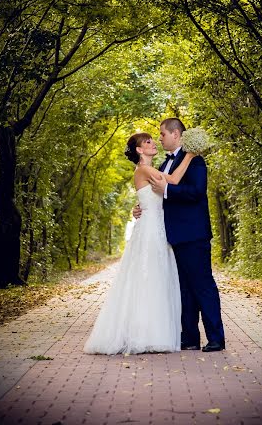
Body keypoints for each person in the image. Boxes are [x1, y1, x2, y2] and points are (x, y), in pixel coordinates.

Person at [83, 132, 194, 355]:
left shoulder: (152, 169)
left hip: (157, 227)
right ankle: (146, 335)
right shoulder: (144, 169)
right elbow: (171, 182)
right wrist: (190, 155)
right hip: (151, 231)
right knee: (149, 278)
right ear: (139, 151)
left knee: (156, 279)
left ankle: (153, 333)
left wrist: (137, 207)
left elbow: (150, 196)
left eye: (154, 140)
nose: (154, 143)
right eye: (148, 142)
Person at [135, 118, 225, 352]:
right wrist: (141, 207)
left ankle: (216, 338)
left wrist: (167, 190)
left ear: (176, 134)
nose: (160, 138)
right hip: (173, 235)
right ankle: (190, 338)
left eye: (163, 133)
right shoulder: (166, 163)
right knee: (184, 289)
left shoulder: (195, 162)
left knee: (203, 285)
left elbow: (196, 192)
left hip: (193, 233)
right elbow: (155, 196)